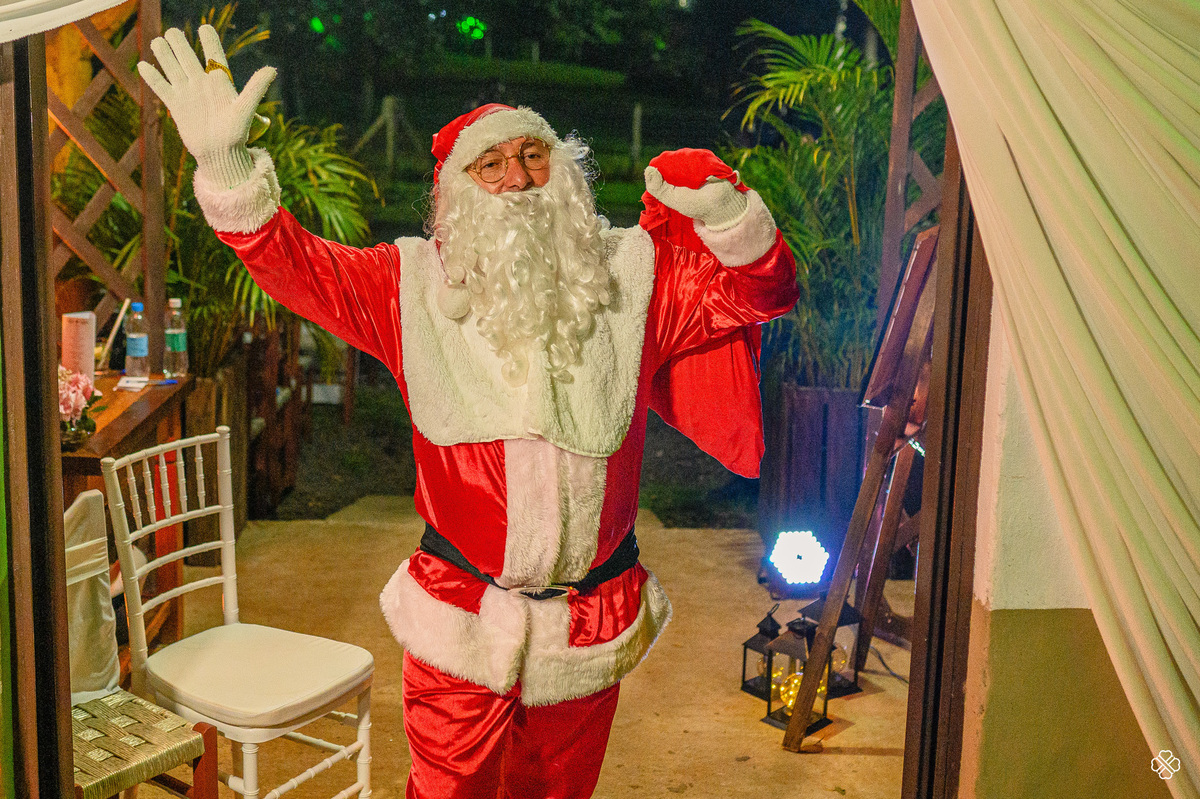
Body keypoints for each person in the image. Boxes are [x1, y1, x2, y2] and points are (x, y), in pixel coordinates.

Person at [139, 25, 798, 799]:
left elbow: (762, 294)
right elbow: (296, 265)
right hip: (460, 621)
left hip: (588, 627)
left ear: (564, 171)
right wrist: (226, 168)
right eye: (490, 163)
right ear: (455, 190)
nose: (518, 179)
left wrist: (729, 217)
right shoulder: (408, 288)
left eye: (532, 156)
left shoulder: (631, 280)